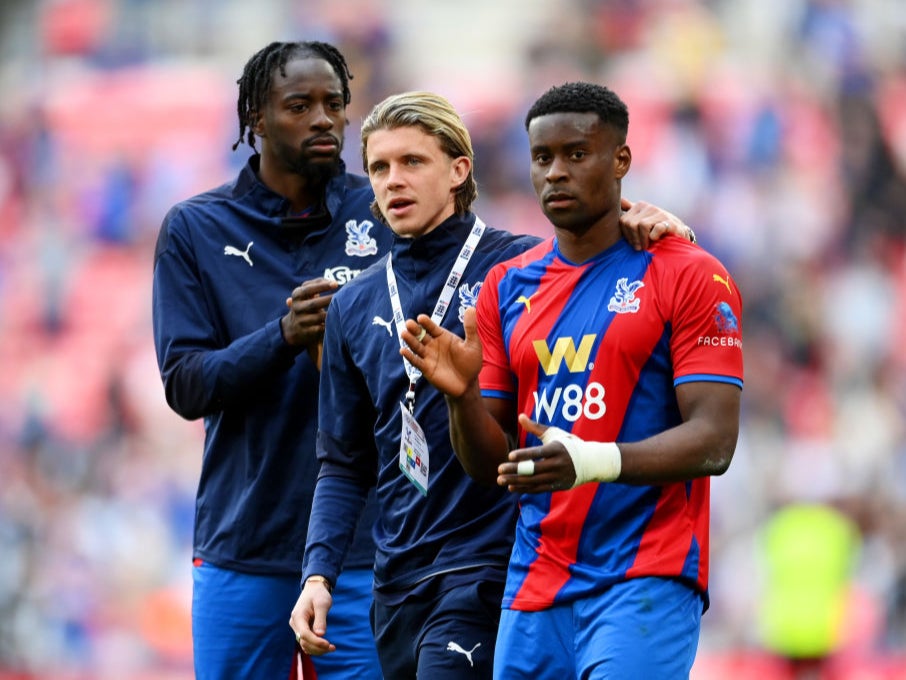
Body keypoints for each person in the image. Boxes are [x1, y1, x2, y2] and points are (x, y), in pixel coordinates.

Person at [289, 90, 696, 679]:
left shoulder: (523, 269)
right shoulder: (354, 305)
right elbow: (342, 460)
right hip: (397, 578)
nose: (393, 181)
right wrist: (319, 574)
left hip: (497, 564)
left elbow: (600, 257)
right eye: (379, 167)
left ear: (459, 171)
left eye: (412, 162)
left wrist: (651, 224)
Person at [399, 82, 744, 679]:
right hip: (534, 584)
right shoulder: (507, 287)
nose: (556, 172)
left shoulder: (690, 274)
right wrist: (460, 399)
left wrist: (591, 461)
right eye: (542, 158)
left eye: (576, 155)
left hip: (644, 578)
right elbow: (493, 466)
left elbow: (714, 442)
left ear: (621, 162)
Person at [151, 41, 390, 679]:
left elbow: (493, 264)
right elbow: (185, 385)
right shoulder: (196, 228)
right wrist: (283, 335)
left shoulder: (385, 214)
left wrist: (625, 225)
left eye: (334, 104)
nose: (323, 119)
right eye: (299, 105)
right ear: (255, 117)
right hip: (247, 542)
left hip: (368, 546)